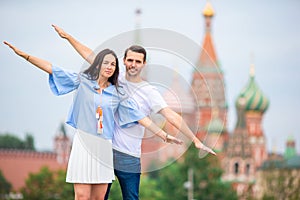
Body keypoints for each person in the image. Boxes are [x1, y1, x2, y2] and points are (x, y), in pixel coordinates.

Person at [52, 24, 216, 200]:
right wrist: (68, 37)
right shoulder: (116, 78)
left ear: (144, 64)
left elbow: (171, 115)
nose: (133, 64)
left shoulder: (149, 92)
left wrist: (195, 140)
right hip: (106, 150)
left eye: (138, 61)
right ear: (124, 61)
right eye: (130, 60)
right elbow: (91, 56)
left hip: (129, 156)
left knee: (131, 198)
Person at [3, 40, 182, 200]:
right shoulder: (84, 81)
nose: (110, 66)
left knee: (98, 198)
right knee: (81, 196)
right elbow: (52, 68)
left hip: (104, 147)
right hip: (84, 144)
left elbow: (140, 117)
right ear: (99, 65)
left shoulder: (117, 93)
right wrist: (24, 55)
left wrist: (164, 135)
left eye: (113, 64)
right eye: (106, 63)